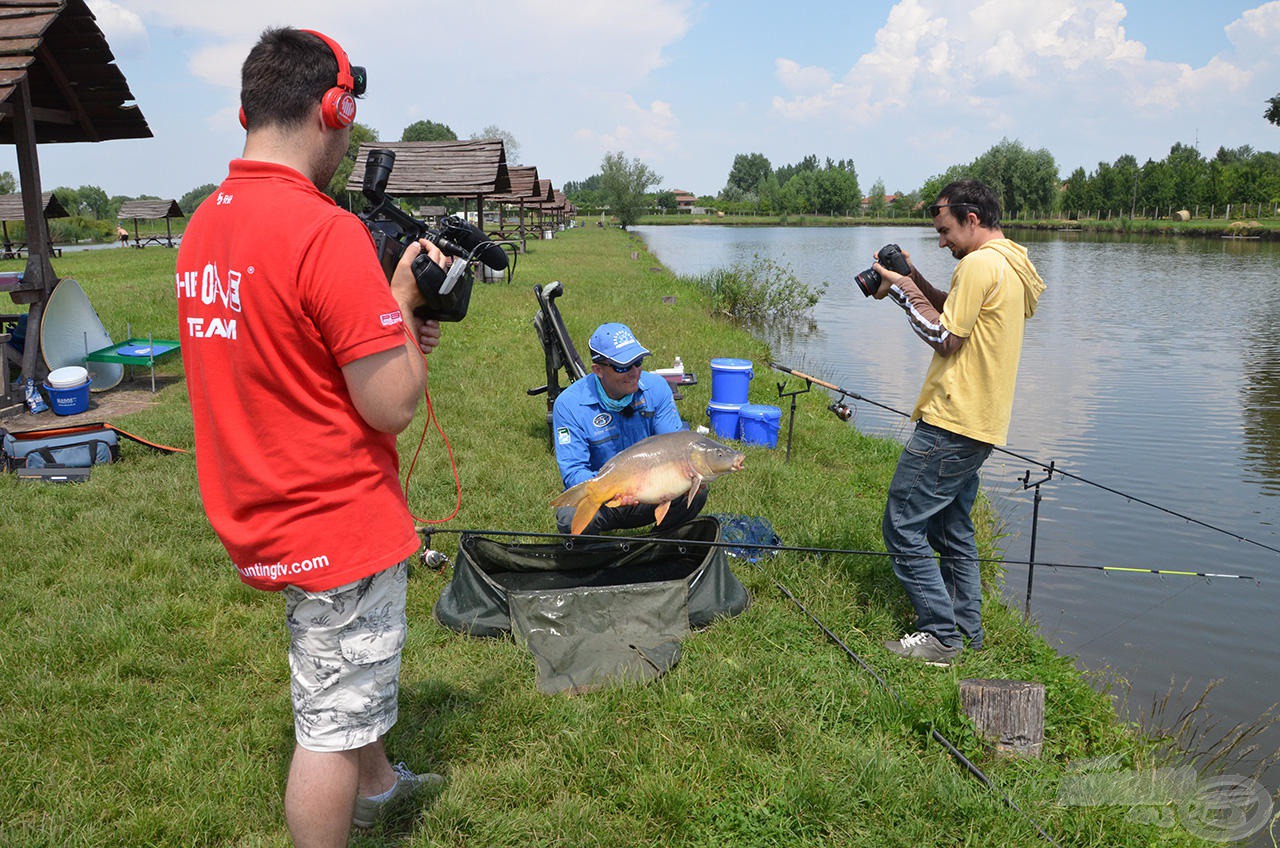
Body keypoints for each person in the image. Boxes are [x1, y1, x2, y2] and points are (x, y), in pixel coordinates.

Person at [174, 27, 448, 846]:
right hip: (335, 519)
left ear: (246, 110)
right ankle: (342, 798)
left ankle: (382, 782)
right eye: (349, 115)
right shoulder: (320, 229)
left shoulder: (206, 223)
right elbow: (392, 403)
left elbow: (282, 353)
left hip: (263, 501)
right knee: (327, 722)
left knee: (345, 677)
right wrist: (398, 308)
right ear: (335, 107)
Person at [869, 179, 1046, 667]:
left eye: (945, 231)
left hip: (952, 421)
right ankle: (968, 633)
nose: (942, 240)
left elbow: (946, 337)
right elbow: (958, 309)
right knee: (952, 530)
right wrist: (915, 277)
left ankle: (940, 636)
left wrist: (901, 290)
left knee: (902, 523)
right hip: (982, 424)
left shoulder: (980, 264)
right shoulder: (1011, 263)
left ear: (972, 219)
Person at [552, 322, 703, 534]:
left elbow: (676, 447)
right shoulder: (568, 405)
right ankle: (597, 558)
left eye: (638, 362)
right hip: (605, 496)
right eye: (622, 367)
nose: (634, 373)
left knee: (696, 491)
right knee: (569, 519)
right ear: (598, 370)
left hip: (653, 491)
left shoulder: (657, 388)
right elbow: (573, 472)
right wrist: (614, 490)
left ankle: (656, 545)